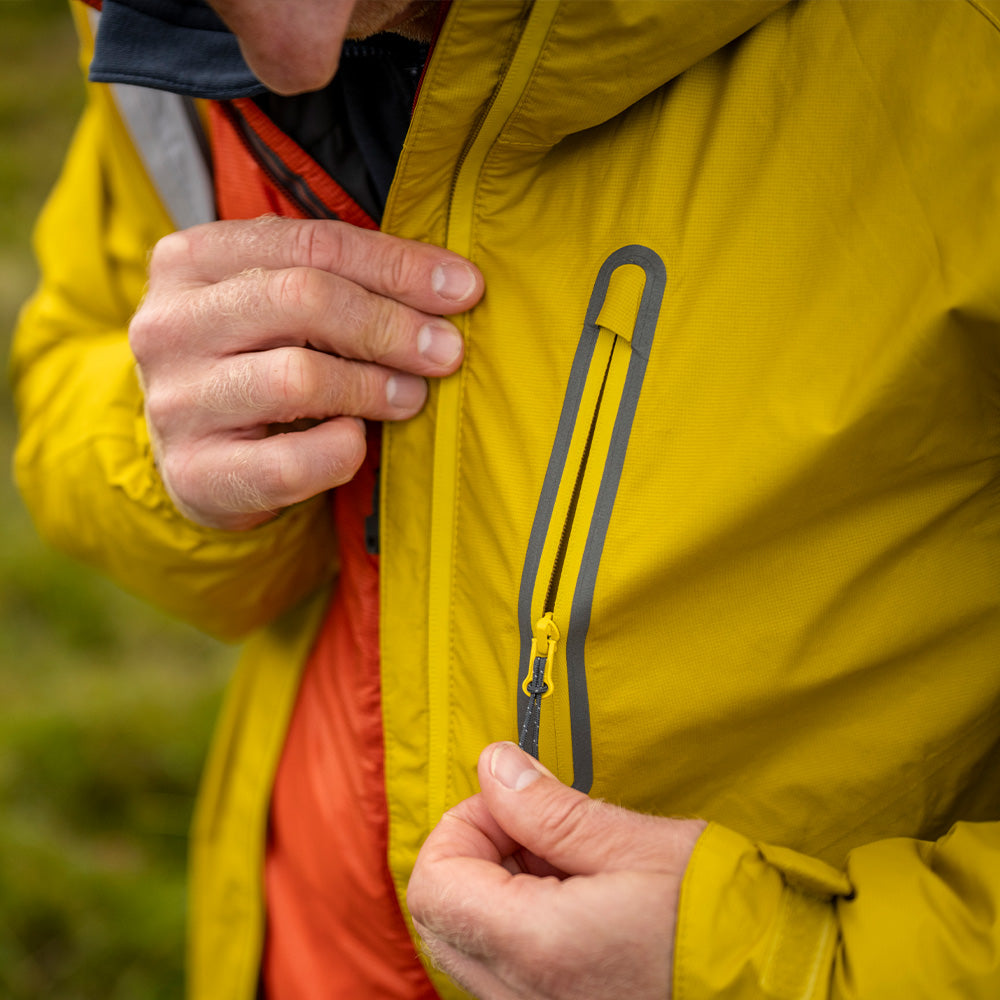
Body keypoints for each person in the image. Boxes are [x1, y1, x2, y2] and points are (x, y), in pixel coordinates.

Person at [11, 0, 1000, 997]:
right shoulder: (140, 14)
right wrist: (163, 444)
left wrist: (782, 970)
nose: (280, 61)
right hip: (305, 938)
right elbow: (68, 361)